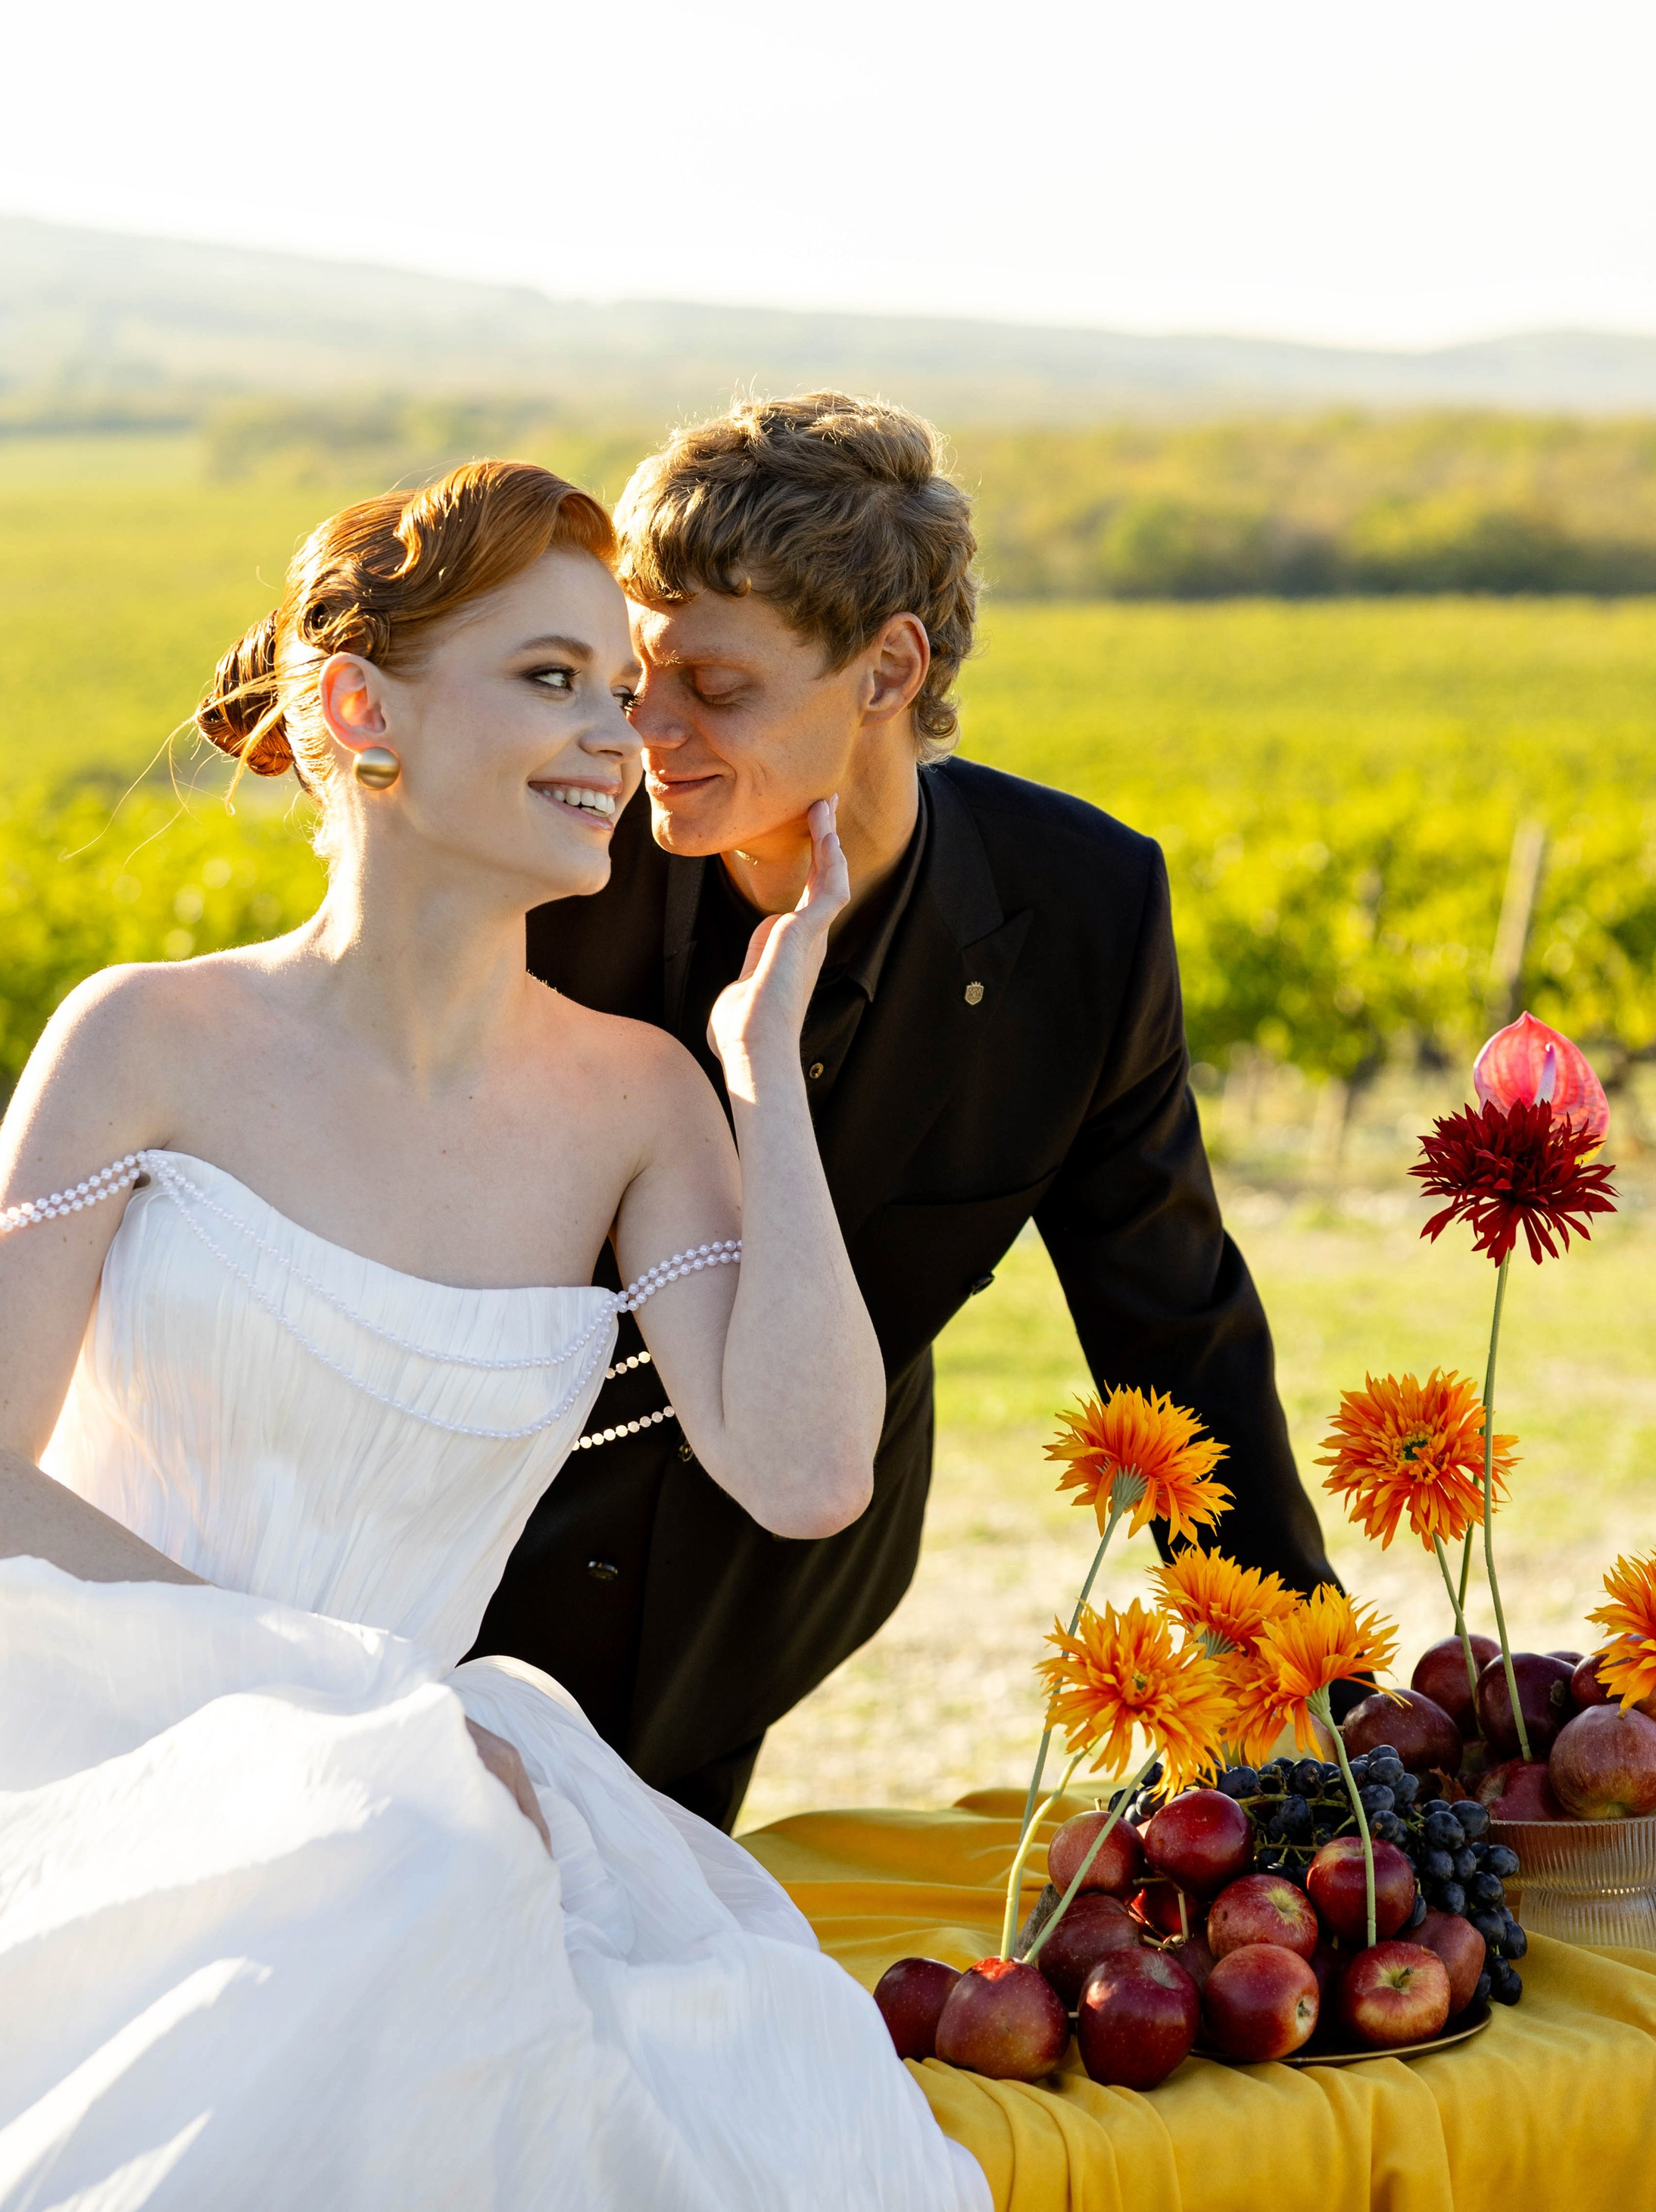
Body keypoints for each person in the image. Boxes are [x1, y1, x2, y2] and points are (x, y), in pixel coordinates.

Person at [0, 463, 985, 2212]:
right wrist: (346, 1713)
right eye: (550, 678)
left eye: (620, 690)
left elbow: (807, 1472)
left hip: (419, 1806)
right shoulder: (143, 1040)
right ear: (359, 711)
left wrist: (765, 1082)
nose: (617, 736)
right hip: (84, 1746)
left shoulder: (639, 1103)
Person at [479, 393, 1335, 1830]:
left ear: (888, 668)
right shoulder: (541, 866)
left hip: (767, 1597)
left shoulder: (1085, 911)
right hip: (475, 1568)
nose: (647, 732)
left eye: (718, 688)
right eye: (637, 677)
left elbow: (1173, 1327)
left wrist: (1301, 1699)